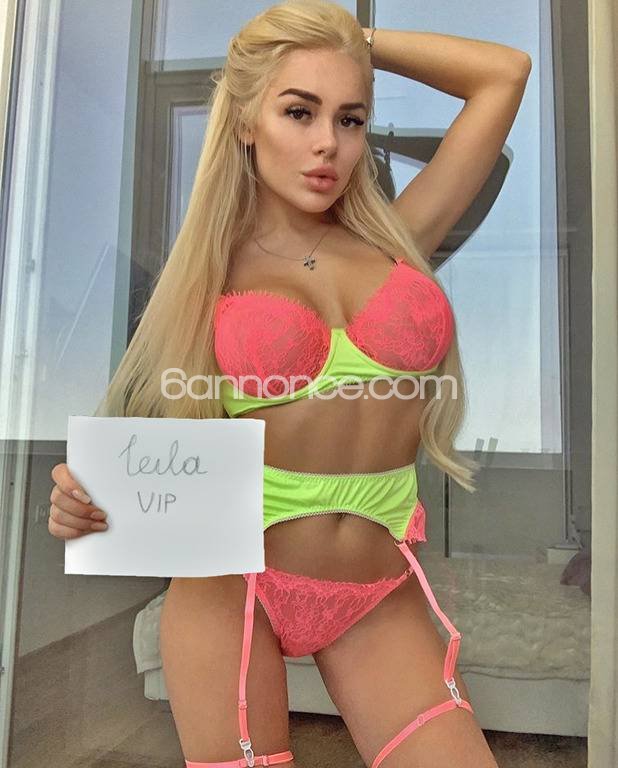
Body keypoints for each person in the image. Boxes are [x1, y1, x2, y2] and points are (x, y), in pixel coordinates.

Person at [49, 1, 531, 765]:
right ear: (247, 121)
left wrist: (346, 40)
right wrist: (84, 498)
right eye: (299, 111)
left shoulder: (399, 241)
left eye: (350, 119)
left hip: (377, 589)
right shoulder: (208, 273)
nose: (327, 143)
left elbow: (504, 74)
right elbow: (158, 442)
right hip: (231, 584)